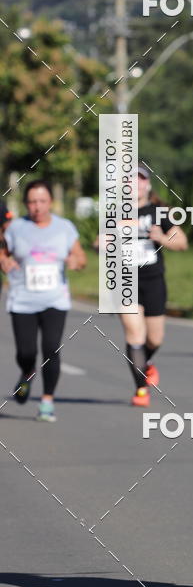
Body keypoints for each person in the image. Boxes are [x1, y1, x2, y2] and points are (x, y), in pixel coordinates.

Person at [0, 180, 86, 422]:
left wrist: (76, 262)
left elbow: (80, 256)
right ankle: (27, 372)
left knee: (51, 349)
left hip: (55, 299)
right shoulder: (16, 228)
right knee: (26, 352)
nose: (37, 207)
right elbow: (3, 252)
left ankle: (47, 401)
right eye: (32, 202)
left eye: (42, 201)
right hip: (22, 299)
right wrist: (4, 261)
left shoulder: (64, 227)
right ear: (26, 203)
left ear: (50, 202)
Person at [116, 164, 188, 407]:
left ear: (147, 184)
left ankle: (144, 366)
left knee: (154, 339)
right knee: (135, 334)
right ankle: (141, 390)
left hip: (153, 279)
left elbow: (182, 243)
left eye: (139, 180)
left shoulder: (158, 212)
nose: (134, 185)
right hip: (124, 280)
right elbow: (98, 241)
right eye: (129, 181)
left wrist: (161, 238)